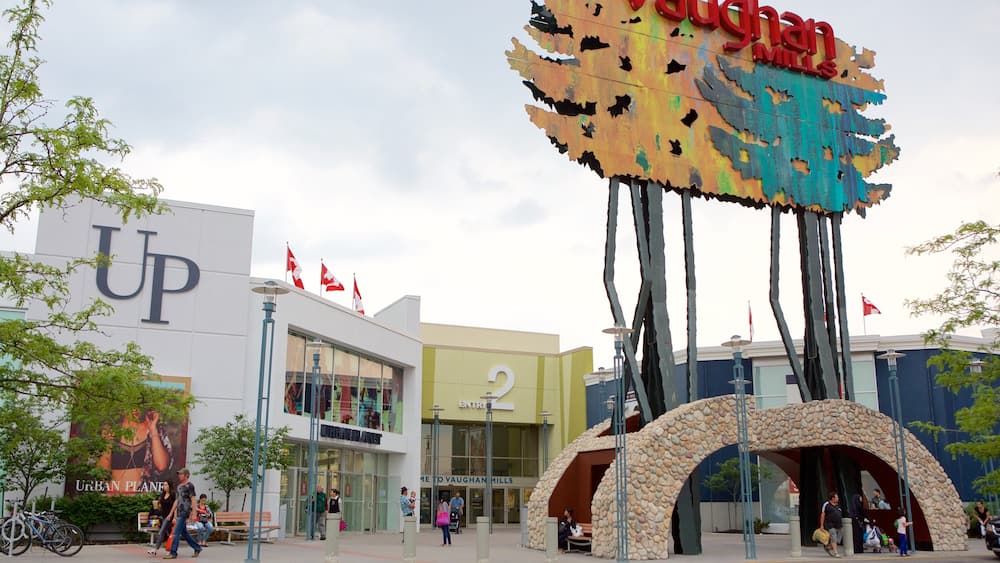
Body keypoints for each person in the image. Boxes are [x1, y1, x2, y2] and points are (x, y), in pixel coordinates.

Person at [97, 409, 172, 494]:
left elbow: (162, 466)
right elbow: (101, 473)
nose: (135, 408)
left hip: (142, 499)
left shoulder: (155, 428)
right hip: (113, 498)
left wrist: (153, 430)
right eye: (131, 401)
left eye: (138, 401)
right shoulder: (110, 430)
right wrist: (107, 443)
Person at [164, 467, 202, 559]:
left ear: (186, 475)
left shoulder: (190, 486)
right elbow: (177, 501)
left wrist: (194, 513)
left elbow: (193, 499)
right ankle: (197, 548)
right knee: (184, 533)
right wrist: (171, 513)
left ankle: (173, 553)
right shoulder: (179, 486)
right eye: (179, 474)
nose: (179, 476)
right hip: (179, 511)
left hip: (185, 511)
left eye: (181, 474)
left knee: (176, 532)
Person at [147, 480, 176, 557]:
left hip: (170, 517)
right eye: (163, 485)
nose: (164, 486)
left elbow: (175, 507)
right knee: (168, 533)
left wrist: (175, 517)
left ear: (170, 486)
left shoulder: (173, 495)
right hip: (164, 517)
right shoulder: (163, 495)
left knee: (162, 532)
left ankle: (156, 550)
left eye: (166, 485)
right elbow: (161, 507)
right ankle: (169, 550)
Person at [819, 492, 843, 558]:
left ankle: (828, 547)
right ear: (833, 498)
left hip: (839, 524)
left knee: (838, 540)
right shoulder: (826, 504)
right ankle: (836, 552)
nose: (838, 498)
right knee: (833, 537)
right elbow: (823, 515)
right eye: (836, 497)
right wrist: (821, 525)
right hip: (830, 524)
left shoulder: (838, 505)